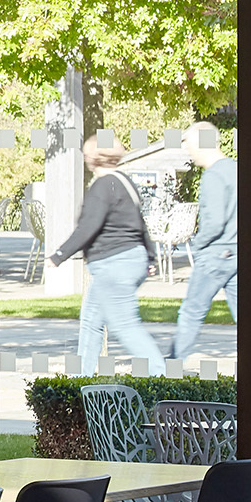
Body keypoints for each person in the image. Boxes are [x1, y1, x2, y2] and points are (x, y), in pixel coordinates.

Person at [51, 134, 165, 371]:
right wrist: (151, 257)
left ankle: (159, 373)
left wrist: (58, 255)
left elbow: (88, 227)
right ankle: (81, 378)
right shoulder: (125, 182)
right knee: (91, 321)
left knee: (125, 325)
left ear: (93, 157)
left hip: (113, 264)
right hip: (130, 259)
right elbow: (140, 224)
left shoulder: (102, 186)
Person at [168, 146, 238, 363]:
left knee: (192, 312)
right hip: (237, 253)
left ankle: (173, 365)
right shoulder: (237, 170)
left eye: (190, 147)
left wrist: (197, 244)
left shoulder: (213, 175)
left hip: (215, 253)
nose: (190, 153)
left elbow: (214, 222)